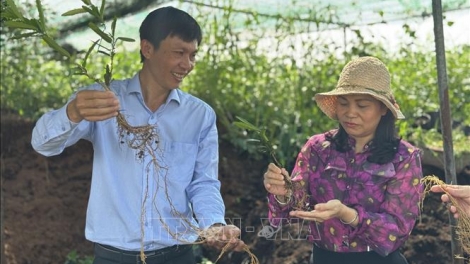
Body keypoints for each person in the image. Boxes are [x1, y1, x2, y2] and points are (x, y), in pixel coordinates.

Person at [31, 6, 244, 264]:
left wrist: (214, 223)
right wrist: (72, 112)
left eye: (192, 55)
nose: (187, 65)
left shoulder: (200, 115)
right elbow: (43, 144)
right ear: (147, 49)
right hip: (114, 257)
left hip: (178, 254)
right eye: (179, 53)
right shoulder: (104, 101)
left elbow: (203, 182)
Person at [263, 56, 423, 264]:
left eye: (362, 105)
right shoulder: (317, 148)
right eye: (344, 104)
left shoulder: (404, 158)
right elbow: (292, 209)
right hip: (323, 258)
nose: (350, 113)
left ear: (383, 109)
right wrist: (283, 193)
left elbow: (398, 230)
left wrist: (348, 214)